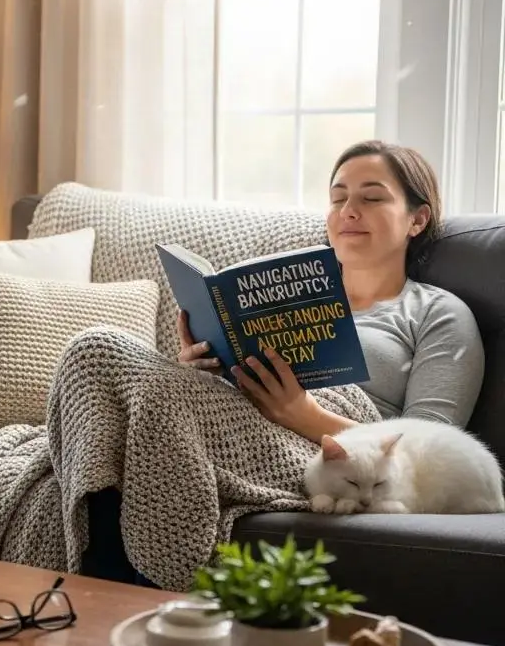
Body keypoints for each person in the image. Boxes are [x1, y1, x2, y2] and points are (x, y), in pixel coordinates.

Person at [176, 139, 484, 441]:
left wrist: (305, 416)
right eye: (338, 199)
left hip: (327, 465)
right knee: (149, 376)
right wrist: (200, 373)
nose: (348, 211)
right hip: (224, 431)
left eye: (372, 198)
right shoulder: (281, 296)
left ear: (417, 219)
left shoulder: (438, 313)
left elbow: (430, 450)